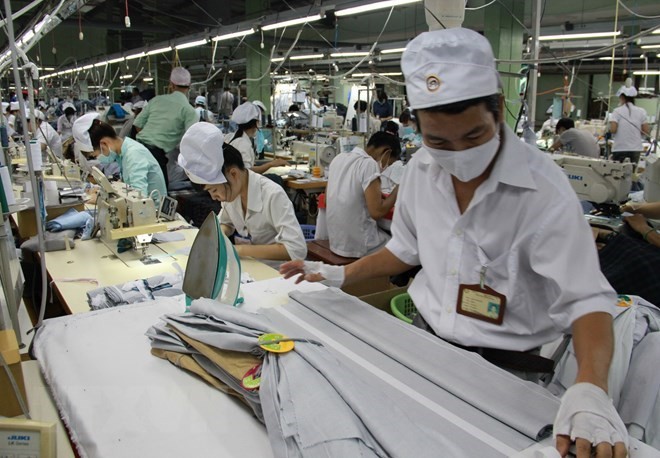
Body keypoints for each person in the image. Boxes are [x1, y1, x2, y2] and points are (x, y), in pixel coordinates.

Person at [281, 28, 627, 458]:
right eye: (439, 140)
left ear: (498, 109)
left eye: (474, 137)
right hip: (424, 345)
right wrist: (340, 273)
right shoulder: (423, 171)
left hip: (509, 374)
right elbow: (404, 250)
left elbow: (588, 299)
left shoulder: (544, 190)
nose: (458, 156)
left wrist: (592, 388)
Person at [178, 123, 306, 262]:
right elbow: (226, 223)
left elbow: (297, 249)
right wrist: (216, 238)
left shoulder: (272, 195)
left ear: (233, 174)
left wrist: (239, 250)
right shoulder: (231, 195)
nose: (214, 197)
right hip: (250, 267)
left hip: (278, 272)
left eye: (214, 190)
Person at [326, 132, 400, 258]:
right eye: (389, 163)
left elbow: (332, 196)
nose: (386, 167)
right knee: (404, 248)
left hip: (336, 241)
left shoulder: (338, 158)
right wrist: (399, 189)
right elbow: (377, 212)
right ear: (386, 152)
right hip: (358, 246)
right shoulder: (369, 164)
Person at [73, 112, 167, 205]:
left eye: (95, 156)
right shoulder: (122, 154)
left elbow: (139, 199)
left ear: (104, 143)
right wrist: (103, 192)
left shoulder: (134, 154)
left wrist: (101, 200)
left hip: (153, 213)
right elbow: (127, 187)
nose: (98, 159)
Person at [133, 66, 198, 188]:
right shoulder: (189, 110)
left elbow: (137, 124)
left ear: (171, 85)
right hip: (156, 156)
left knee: (137, 190)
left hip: (136, 150)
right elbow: (192, 139)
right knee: (160, 195)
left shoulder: (156, 100)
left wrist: (150, 139)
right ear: (189, 86)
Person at [224, 102, 288, 174]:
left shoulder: (230, 137)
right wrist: (271, 164)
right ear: (257, 123)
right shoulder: (243, 144)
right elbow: (247, 172)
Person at [609, 86, 650, 167]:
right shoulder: (641, 111)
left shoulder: (617, 111)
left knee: (617, 175)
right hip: (635, 149)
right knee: (631, 174)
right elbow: (645, 130)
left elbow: (613, 130)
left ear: (622, 97)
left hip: (620, 148)